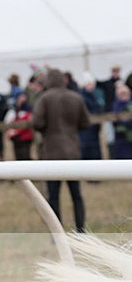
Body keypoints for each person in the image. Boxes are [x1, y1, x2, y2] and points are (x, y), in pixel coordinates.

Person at [32, 68, 90, 232]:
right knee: (76, 195)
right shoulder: (76, 97)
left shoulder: (44, 98)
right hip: (72, 150)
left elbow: (36, 122)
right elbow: (86, 123)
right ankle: (80, 230)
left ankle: (56, 232)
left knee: (53, 196)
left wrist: (47, 129)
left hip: (52, 152)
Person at [78, 72, 104, 160]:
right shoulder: (83, 97)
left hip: (93, 130)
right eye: (90, 84)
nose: (92, 86)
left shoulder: (92, 95)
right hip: (86, 131)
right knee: (88, 154)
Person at [4, 92, 33, 160]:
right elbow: (8, 121)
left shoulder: (28, 109)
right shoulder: (13, 110)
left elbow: (28, 122)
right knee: (18, 156)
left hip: (26, 137)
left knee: (25, 156)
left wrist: (17, 131)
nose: (22, 99)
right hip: (16, 138)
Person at [111, 83, 132, 159]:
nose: (124, 95)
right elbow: (116, 122)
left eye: (125, 93)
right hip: (121, 141)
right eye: (121, 93)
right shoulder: (116, 105)